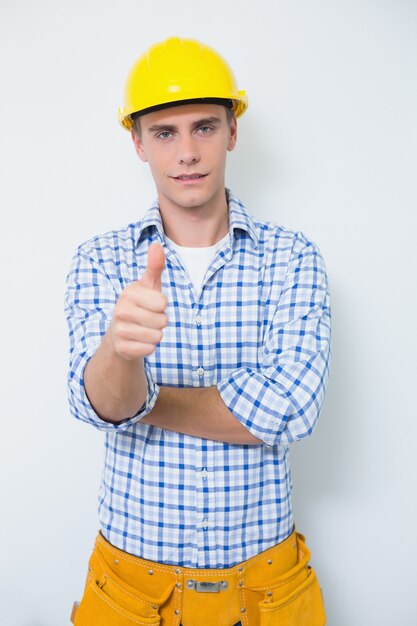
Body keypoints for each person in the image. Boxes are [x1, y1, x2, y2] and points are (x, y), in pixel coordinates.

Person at [65, 36, 331, 626]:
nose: (187, 152)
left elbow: (292, 410)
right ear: (137, 142)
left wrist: (143, 399)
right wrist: (119, 355)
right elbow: (94, 402)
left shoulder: (293, 258)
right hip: (130, 593)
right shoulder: (100, 261)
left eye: (204, 127)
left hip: (266, 592)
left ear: (233, 131)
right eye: (164, 132)